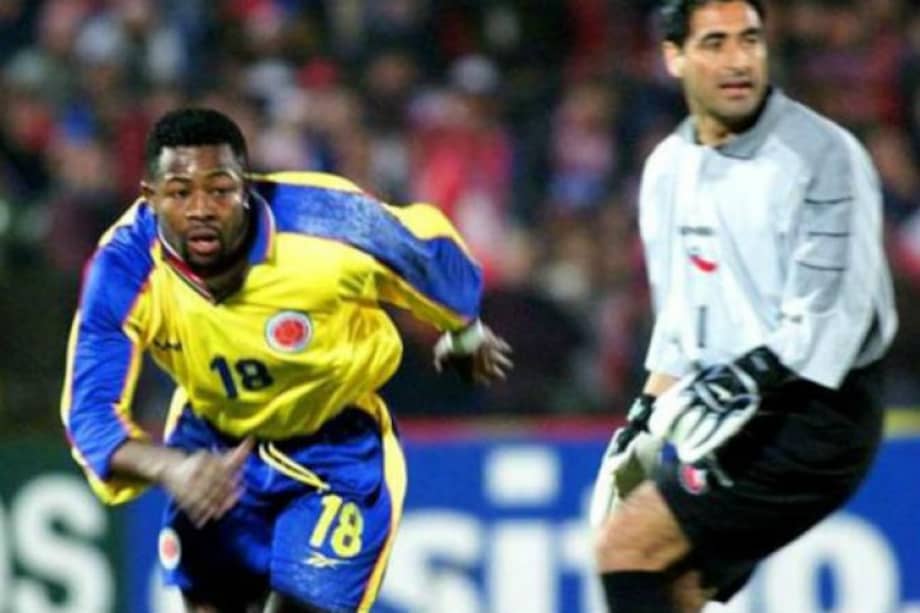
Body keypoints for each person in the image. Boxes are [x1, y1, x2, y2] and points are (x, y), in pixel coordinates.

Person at [60, 107, 512, 613]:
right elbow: (89, 413)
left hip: (337, 447)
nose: (202, 208)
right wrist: (173, 469)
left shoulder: (329, 225)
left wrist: (464, 331)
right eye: (181, 192)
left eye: (220, 189)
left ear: (247, 187)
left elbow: (429, 255)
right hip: (213, 452)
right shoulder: (123, 268)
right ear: (151, 197)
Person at [588, 1, 897, 611]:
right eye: (715, 43)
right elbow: (681, 320)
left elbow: (836, 311)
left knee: (627, 547)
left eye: (749, 40)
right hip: (730, 407)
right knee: (675, 580)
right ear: (673, 57)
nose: (738, 61)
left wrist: (740, 381)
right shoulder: (667, 170)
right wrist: (643, 415)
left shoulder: (823, 155)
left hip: (816, 414)